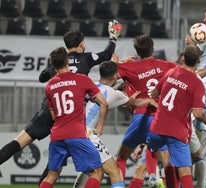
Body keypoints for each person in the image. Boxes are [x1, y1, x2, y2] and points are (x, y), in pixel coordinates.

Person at [0, 20, 122, 166]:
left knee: (18, 143)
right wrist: (112, 37)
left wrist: (51, 69)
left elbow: (41, 78)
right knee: (57, 163)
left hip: (49, 112)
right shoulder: (87, 59)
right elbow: (107, 53)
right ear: (81, 44)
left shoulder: (59, 62)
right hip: (69, 116)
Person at [73, 60, 158, 188]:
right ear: (115, 76)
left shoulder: (90, 85)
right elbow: (133, 103)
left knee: (90, 170)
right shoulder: (112, 93)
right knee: (115, 172)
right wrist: (148, 100)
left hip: (73, 130)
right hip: (88, 134)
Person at [39, 46, 108, 188]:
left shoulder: (49, 86)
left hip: (57, 135)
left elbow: (53, 115)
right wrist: (99, 126)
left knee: (52, 175)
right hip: (76, 134)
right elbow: (103, 103)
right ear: (67, 62)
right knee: (97, 171)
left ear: (52, 65)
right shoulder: (82, 79)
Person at [146, 45, 206, 188]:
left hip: (157, 128)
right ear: (198, 61)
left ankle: (152, 174)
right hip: (177, 132)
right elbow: (197, 113)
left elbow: (154, 94)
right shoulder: (196, 83)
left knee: (151, 149)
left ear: (183, 58)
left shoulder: (170, 72)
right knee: (185, 172)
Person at [115, 34, 177, 187]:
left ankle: (124, 184)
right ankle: (156, 178)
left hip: (140, 117)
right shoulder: (167, 65)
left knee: (121, 158)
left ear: (136, 51)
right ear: (153, 49)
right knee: (166, 160)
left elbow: (108, 73)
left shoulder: (128, 67)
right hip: (161, 118)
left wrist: (121, 63)